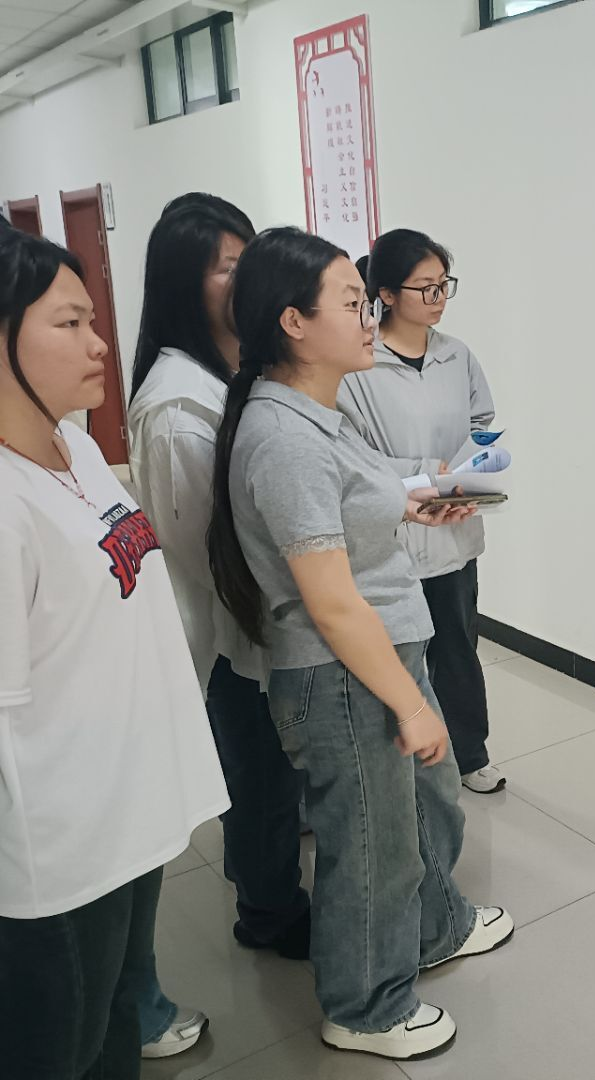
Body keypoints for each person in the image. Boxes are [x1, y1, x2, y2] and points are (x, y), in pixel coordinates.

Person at [207, 226, 513, 1060]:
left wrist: (416, 501)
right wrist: (410, 704)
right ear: (294, 323)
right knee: (372, 845)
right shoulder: (283, 436)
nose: (369, 316)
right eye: (352, 302)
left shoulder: (318, 410)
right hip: (342, 670)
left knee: (425, 806)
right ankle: (365, 1007)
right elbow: (333, 603)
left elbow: (359, 495)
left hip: (382, 645)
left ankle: (435, 928)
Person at [0, 230, 230, 1077]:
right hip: (62, 846)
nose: (100, 343)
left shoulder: (81, 449)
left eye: (93, 320)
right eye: (69, 324)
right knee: (61, 1044)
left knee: (113, 1025)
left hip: (125, 808)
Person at [126, 196, 312, 1043]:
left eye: (247, 258)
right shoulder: (175, 406)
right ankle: (268, 911)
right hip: (233, 632)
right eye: (225, 266)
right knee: (258, 775)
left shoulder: (234, 364)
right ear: (182, 283)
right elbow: (205, 548)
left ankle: (266, 880)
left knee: (268, 774)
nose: (243, 278)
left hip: (263, 621)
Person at [338, 229, 503, 795]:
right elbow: (351, 453)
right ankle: (403, 766)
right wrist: (426, 472)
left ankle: (470, 755)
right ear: (386, 294)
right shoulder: (360, 363)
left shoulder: (457, 355)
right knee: (401, 654)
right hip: (393, 533)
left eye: (443, 285)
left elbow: (483, 422)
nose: (438, 298)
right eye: (424, 287)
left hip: (455, 529)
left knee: (458, 648)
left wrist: (477, 463)